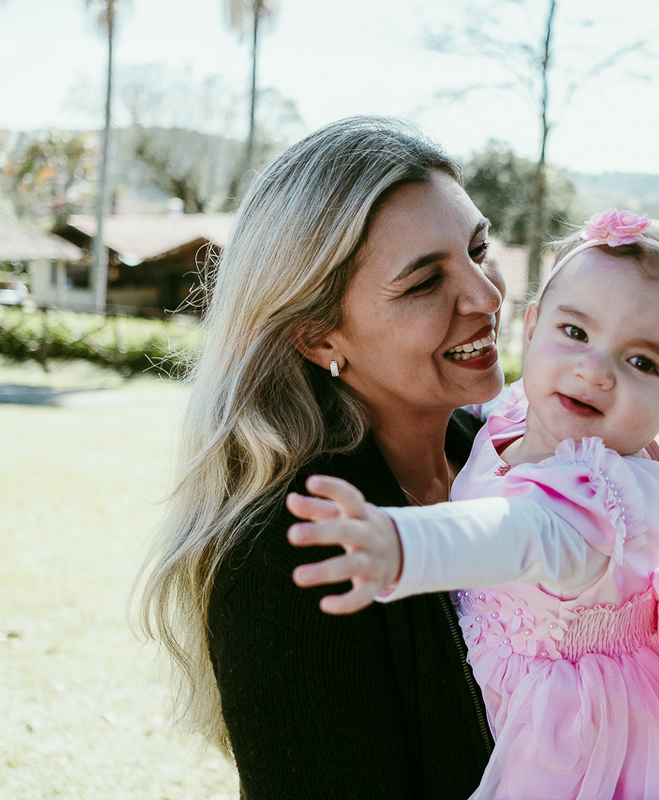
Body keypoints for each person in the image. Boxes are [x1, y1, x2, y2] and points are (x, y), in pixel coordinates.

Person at [287, 210, 659, 799]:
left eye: (641, 362)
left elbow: (517, 532)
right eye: (575, 333)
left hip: (573, 738)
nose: (593, 370)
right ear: (534, 326)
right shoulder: (515, 416)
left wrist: (402, 542)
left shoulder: (598, 506)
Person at [135, 116, 506, 799]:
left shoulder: (512, 465)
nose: (486, 297)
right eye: (425, 282)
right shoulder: (295, 551)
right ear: (319, 336)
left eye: (479, 250)